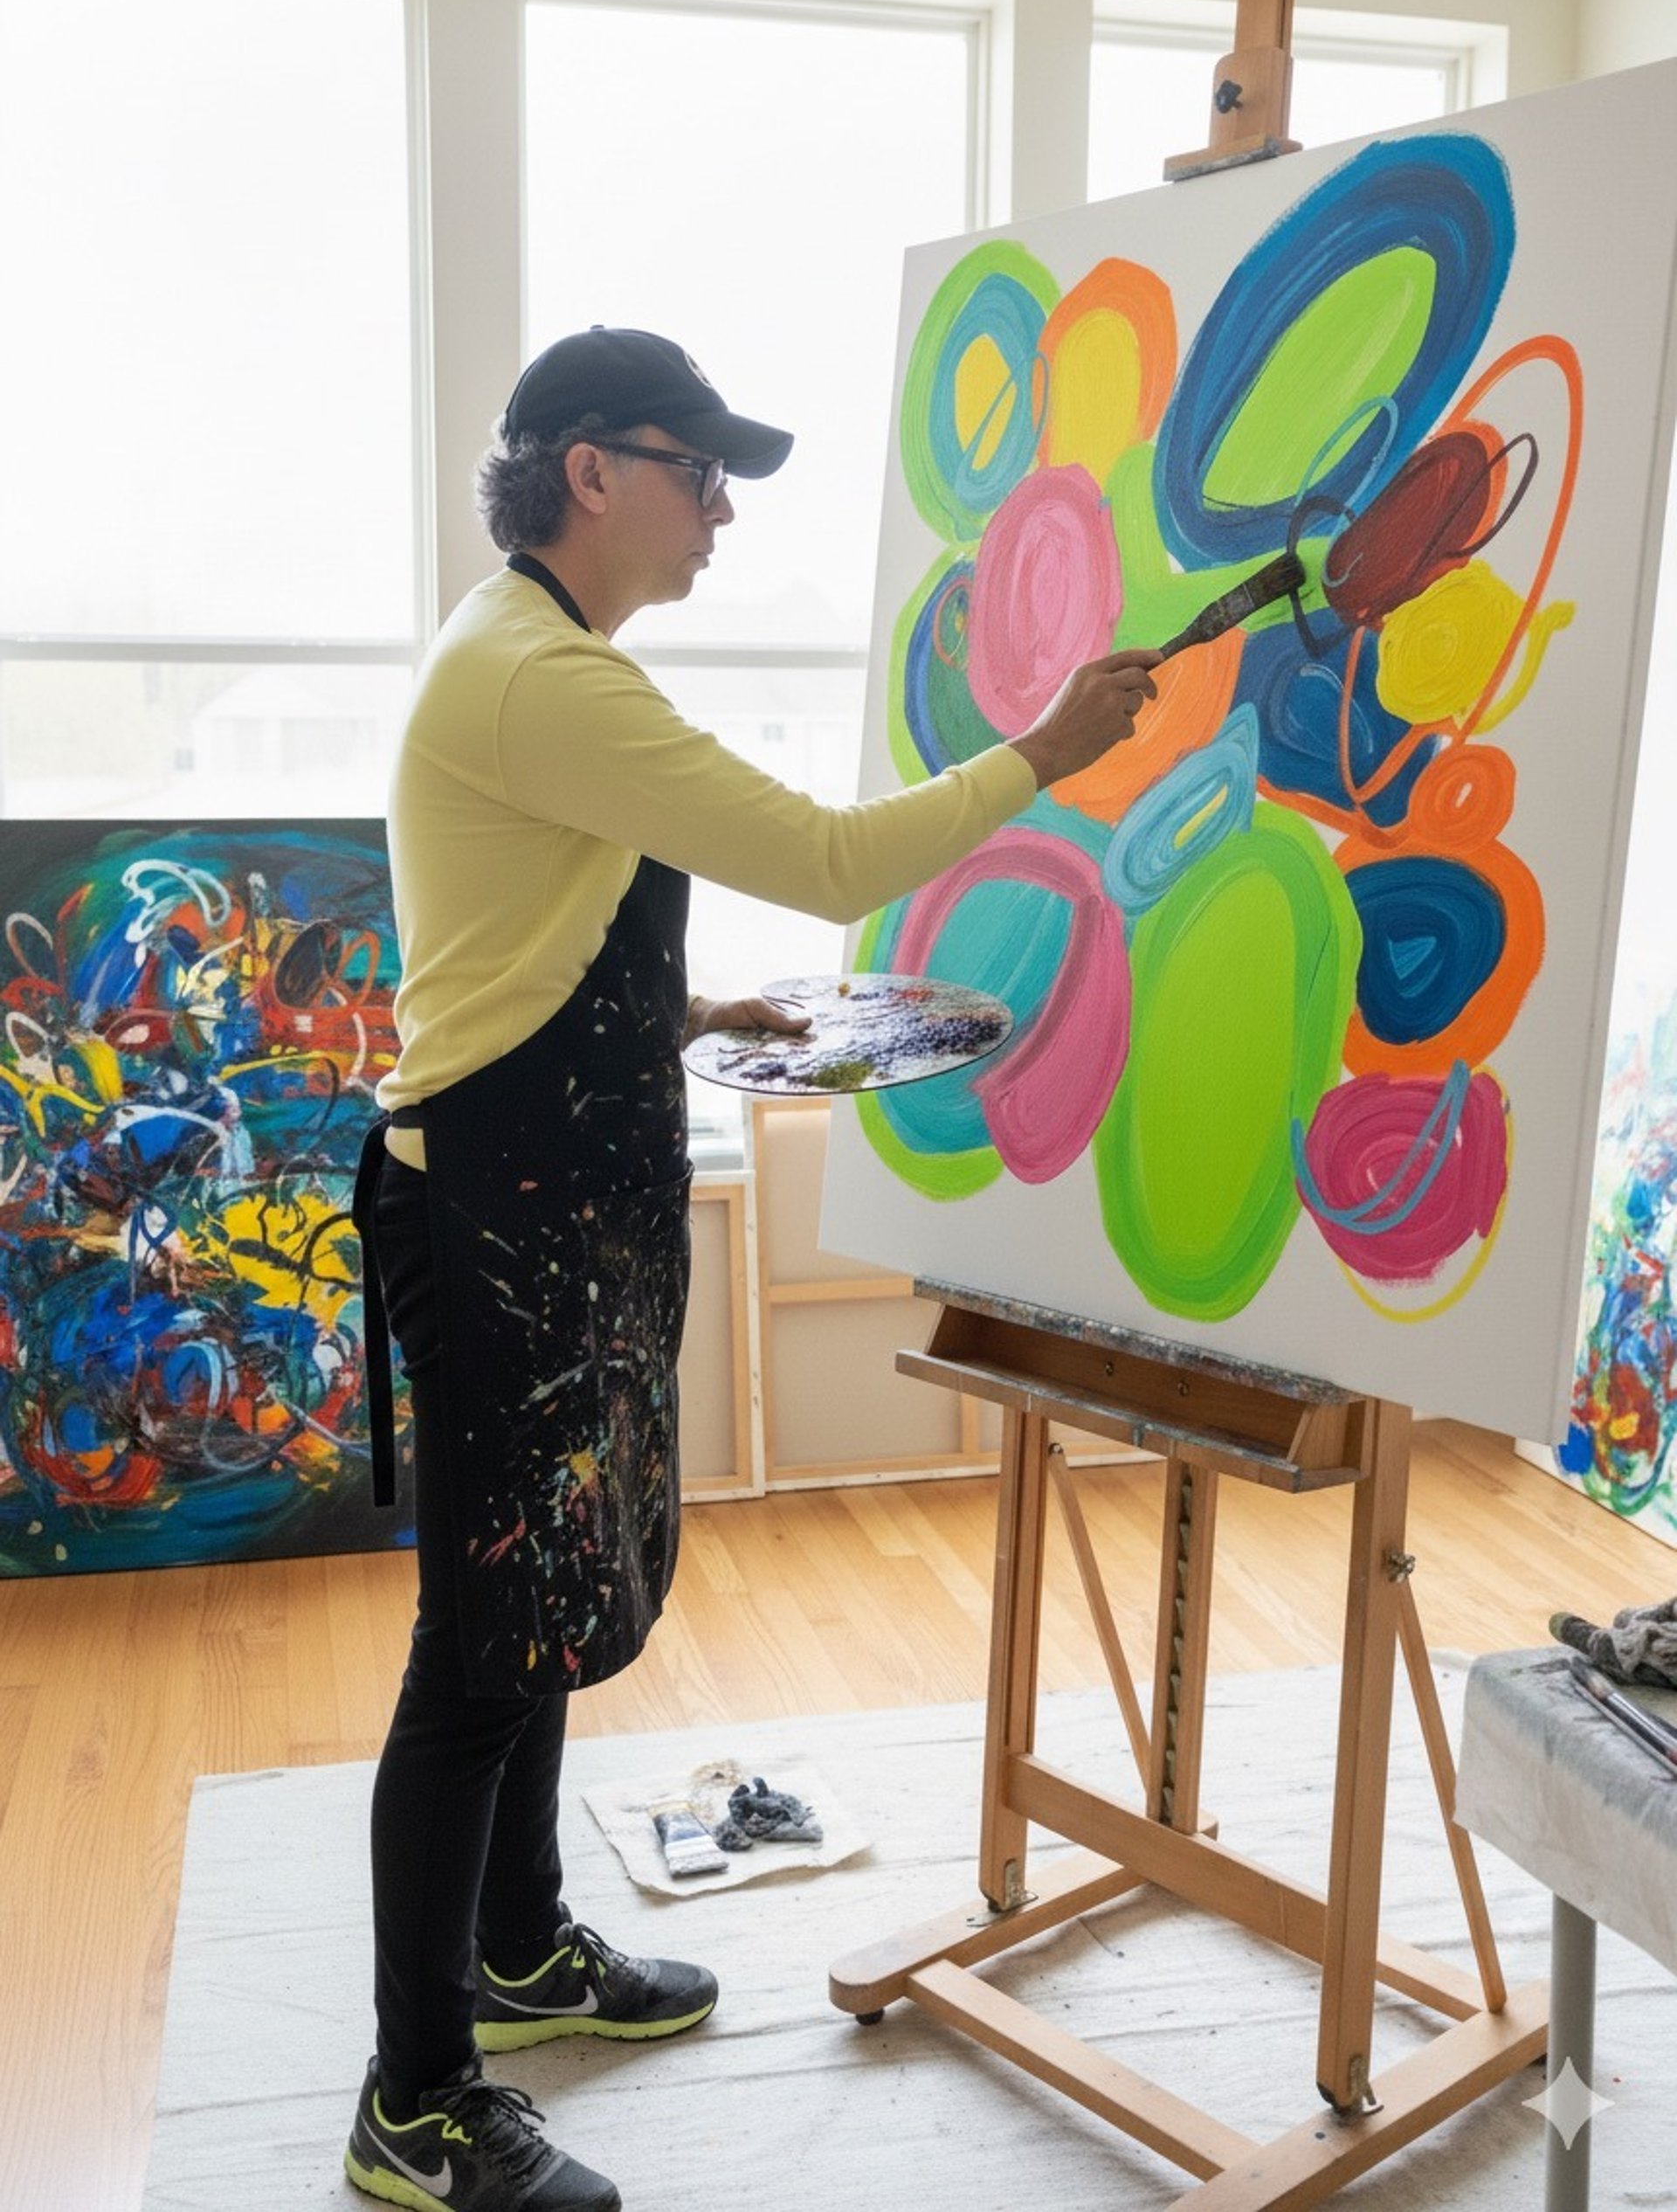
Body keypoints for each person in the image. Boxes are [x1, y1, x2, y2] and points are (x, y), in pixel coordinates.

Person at [346, 323, 1161, 2212]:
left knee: (540, 1600)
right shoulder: (538, 676)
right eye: (696, 468)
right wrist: (1045, 753)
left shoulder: (552, 663)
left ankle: (528, 1944)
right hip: (493, 1211)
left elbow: (530, 926)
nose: (721, 509)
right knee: (478, 1655)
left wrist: (671, 999)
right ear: (587, 473)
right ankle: (415, 2095)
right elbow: (818, 848)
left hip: (553, 1186)